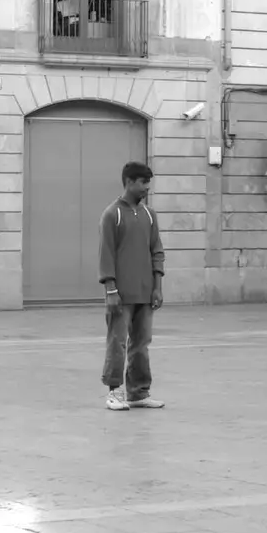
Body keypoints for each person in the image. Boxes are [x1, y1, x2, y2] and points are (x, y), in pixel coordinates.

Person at [98, 161, 166, 412]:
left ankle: (138, 393)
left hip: (145, 294)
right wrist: (111, 290)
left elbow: (157, 251)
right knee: (118, 341)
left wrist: (157, 286)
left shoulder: (149, 215)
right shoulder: (111, 215)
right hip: (120, 294)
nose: (147, 188)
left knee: (141, 343)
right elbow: (106, 255)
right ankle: (114, 392)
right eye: (143, 183)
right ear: (129, 182)